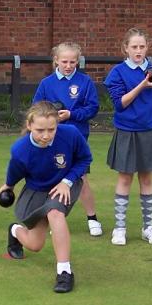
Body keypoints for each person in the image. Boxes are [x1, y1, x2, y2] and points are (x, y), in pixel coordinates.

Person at [0, 101, 92, 293]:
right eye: (40, 130)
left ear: (58, 125)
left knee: (55, 212)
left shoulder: (71, 134)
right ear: (30, 125)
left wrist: (67, 181)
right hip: (36, 190)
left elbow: (84, 158)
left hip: (64, 184)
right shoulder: (20, 149)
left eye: (51, 129)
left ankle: (64, 272)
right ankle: (15, 231)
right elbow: (15, 173)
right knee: (35, 244)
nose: (46, 135)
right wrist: (8, 186)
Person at [103, 27, 152, 246]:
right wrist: (143, 84)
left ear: (147, 48)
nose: (138, 51)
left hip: (149, 131)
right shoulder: (117, 73)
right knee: (124, 178)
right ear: (126, 48)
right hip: (126, 130)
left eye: (142, 46)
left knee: (147, 178)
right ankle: (120, 228)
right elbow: (120, 103)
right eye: (134, 47)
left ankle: (148, 228)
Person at [32, 42, 102, 237]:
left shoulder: (85, 82)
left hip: (76, 138)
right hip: (50, 138)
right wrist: (51, 117)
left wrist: (71, 114)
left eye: (73, 62)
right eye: (64, 61)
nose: (69, 65)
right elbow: (36, 108)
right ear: (56, 60)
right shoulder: (46, 83)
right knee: (51, 178)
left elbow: (92, 108)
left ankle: (92, 218)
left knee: (80, 178)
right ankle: (54, 219)